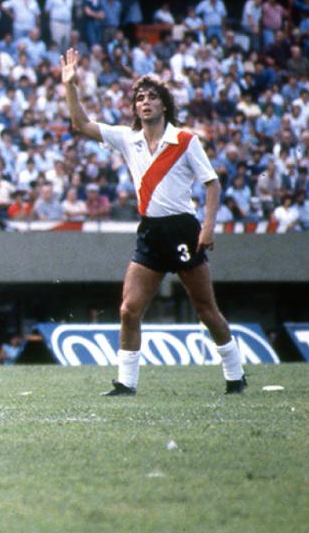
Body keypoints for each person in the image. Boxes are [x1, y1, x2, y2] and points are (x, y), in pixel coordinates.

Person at [60, 48, 246, 396]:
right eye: (139, 98)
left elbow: (212, 184)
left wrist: (208, 226)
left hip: (182, 229)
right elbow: (80, 124)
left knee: (205, 308)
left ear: (164, 105)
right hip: (150, 231)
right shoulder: (127, 139)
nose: (144, 102)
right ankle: (126, 384)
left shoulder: (185, 140)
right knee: (129, 309)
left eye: (152, 97)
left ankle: (235, 375)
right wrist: (71, 86)